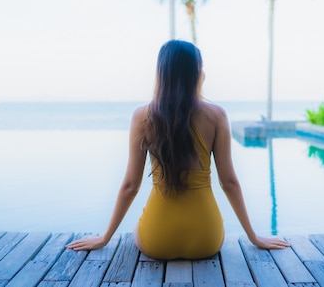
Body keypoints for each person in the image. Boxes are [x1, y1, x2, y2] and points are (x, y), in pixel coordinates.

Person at [66, 40, 290, 259]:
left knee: (139, 226)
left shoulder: (142, 117)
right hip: (206, 238)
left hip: (157, 239)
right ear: (196, 73)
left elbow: (130, 186)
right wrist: (254, 237)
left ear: (161, 74)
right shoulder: (216, 116)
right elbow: (229, 182)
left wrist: (104, 238)